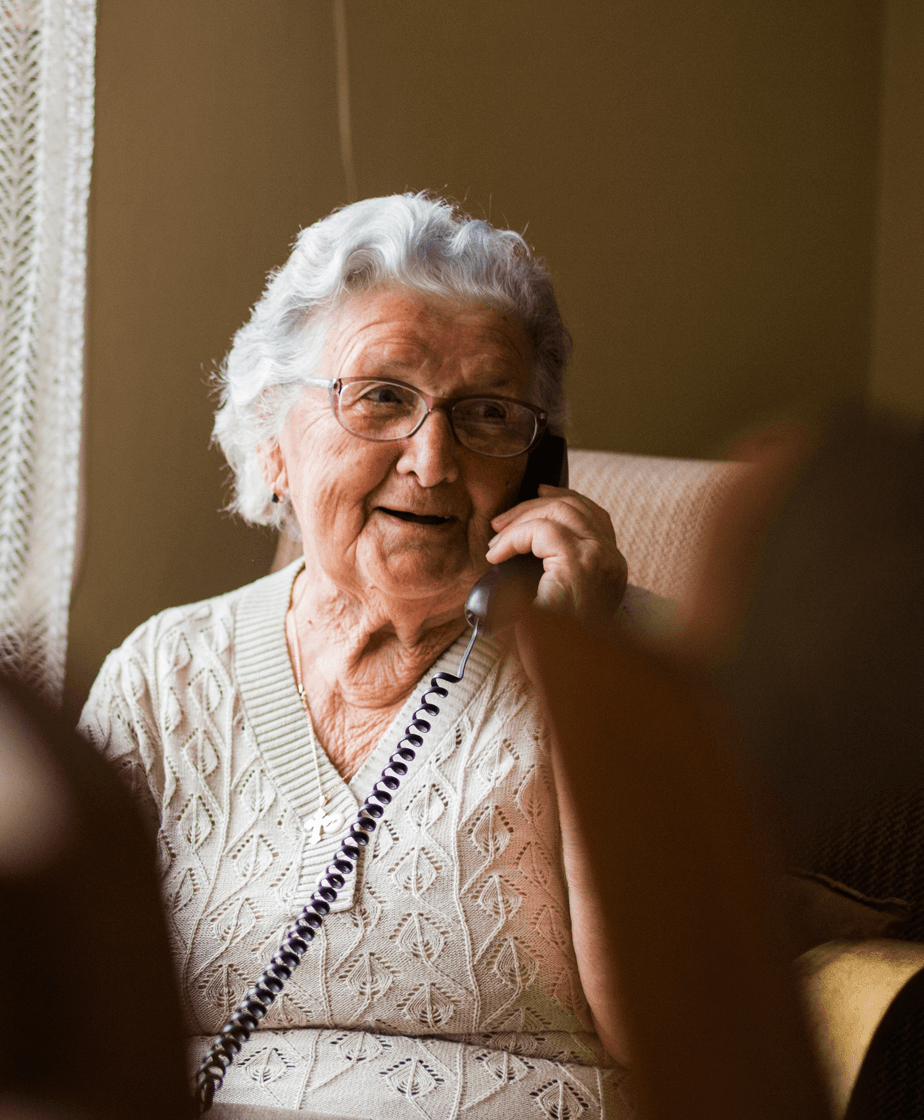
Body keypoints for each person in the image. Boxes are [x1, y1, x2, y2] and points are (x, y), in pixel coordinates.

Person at [80, 194, 639, 1118]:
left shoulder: (616, 663)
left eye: (488, 414)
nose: (431, 460)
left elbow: (665, 1036)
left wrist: (589, 678)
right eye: (382, 397)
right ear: (272, 443)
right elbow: (58, 1012)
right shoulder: (163, 676)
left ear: (538, 466)